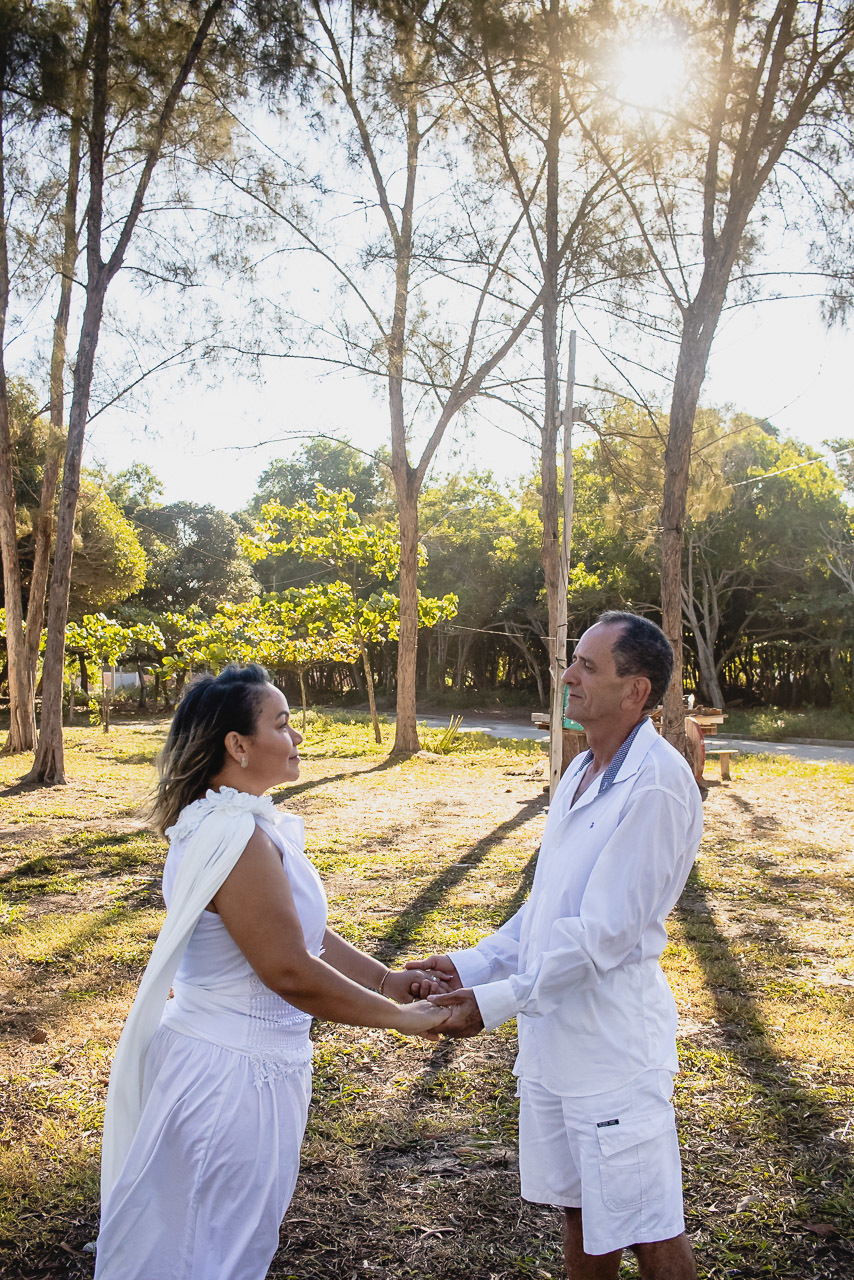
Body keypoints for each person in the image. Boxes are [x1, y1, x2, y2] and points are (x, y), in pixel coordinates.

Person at [95, 663, 448, 1280]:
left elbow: (300, 934)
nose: (297, 736)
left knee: (209, 1242)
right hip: (231, 1079)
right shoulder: (234, 835)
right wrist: (401, 1019)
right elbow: (286, 968)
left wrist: (384, 979)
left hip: (239, 1066)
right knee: (214, 1254)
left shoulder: (231, 824)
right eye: (282, 724)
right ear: (238, 745)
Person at [409, 611, 703, 1280]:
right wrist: (470, 965)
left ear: (636, 691)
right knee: (581, 1214)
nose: (567, 675)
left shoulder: (656, 785)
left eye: (588, 666)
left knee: (648, 1228)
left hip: (611, 1056)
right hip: (553, 1049)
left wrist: (494, 1002)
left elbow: (599, 937)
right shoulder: (578, 772)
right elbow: (548, 909)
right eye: (573, 661)